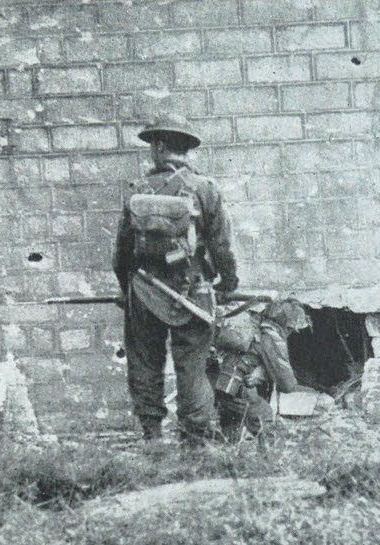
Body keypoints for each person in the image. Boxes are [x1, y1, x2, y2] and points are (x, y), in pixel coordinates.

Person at [113, 113, 239, 444]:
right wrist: (228, 283)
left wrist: (126, 291)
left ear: (158, 147)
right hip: (193, 291)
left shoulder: (137, 190)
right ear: (186, 151)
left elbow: (121, 253)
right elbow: (222, 246)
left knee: (144, 364)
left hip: (144, 291)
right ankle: (194, 442)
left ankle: (152, 439)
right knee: (193, 368)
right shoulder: (205, 189)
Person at [208, 298, 312, 443]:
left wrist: (262, 370)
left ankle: (228, 459)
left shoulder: (255, 327)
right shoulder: (272, 337)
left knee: (232, 429)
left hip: (218, 382)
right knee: (265, 418)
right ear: (287, 326)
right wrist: (264, 374)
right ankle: (269, 462)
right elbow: (287, 384)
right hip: (235, 385)